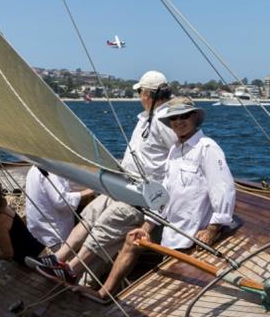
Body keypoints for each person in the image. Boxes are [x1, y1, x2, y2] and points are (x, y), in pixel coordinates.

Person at [76, 96, 236, 300]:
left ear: (194, 117)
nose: (178, 121)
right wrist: (147, 226)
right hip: (171, 231)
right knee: (133, 239)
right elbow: (165, 193)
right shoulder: (174, 151)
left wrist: (214, 228)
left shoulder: (207, 148)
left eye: (184, 115)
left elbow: (223, 188)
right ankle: (104, 293)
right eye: (174, 118)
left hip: (191, 234)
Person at [28, 70, 177, 281]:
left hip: (144, 198)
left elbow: (176, 160)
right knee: (90, 213)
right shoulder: (147, 118)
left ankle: (71, 270)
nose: (139, 97)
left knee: (105, 223)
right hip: (126, 187)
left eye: (140, 92)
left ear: (149, 94)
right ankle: (58, 258)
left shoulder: (166, 122)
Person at [24, 165, 92, 249]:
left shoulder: (34, 168)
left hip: (38, 232)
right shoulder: (50, 171)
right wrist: (91, 191)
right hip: (54, 236)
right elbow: (61, 201)